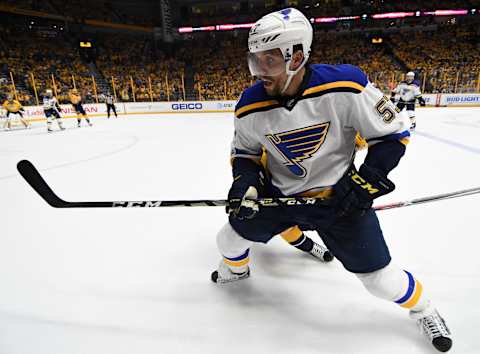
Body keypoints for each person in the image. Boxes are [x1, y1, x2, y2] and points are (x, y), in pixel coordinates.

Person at [211, 8, 452, 353]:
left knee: (381, 282)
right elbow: (245, 154)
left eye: (269, 60)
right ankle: (238, 270)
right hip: (279, 197)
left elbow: (393, 134)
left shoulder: (346, 85)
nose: (259, 71)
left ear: (297, 56)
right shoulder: (250, 104)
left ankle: (424, 308)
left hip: (338, 200)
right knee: (228, 241)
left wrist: (366, 180)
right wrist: (245, 184)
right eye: (254, 60)